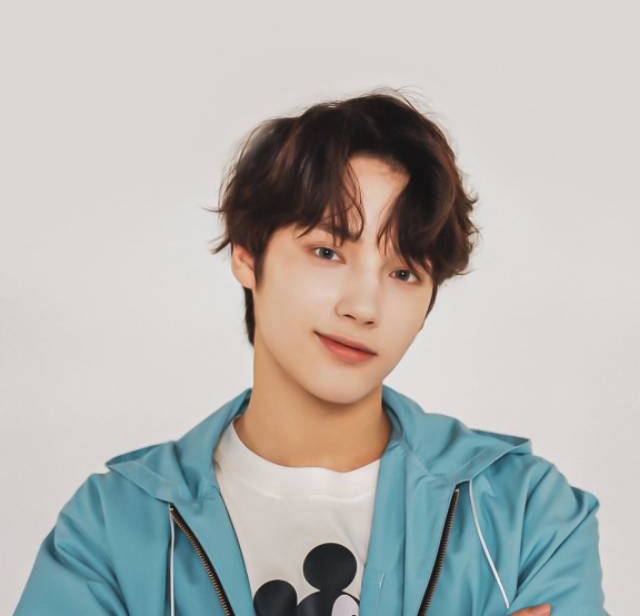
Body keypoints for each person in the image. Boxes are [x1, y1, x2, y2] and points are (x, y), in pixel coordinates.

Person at [13, 90, 607, 615]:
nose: (363, 306)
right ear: (247, 254)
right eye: (328, 252)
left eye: (403, 272)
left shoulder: (524, 512)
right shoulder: (114, 525)